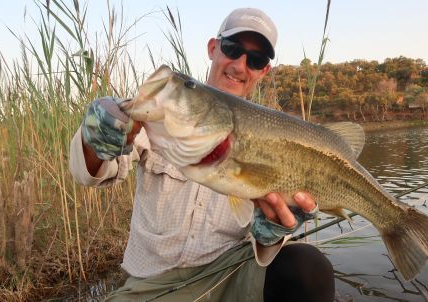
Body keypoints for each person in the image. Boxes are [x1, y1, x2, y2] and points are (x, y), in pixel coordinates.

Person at [70, 8, 335, 302]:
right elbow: (91, 172)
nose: (240, 65)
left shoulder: (279, 138)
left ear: (264, 71)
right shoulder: (164, 114)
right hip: (152, 285)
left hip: (231, 274)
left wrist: (273, 233)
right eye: (232, 49)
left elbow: (268, 238)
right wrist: (95, 135)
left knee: (308, 268)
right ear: (213, 48)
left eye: (256, 59)